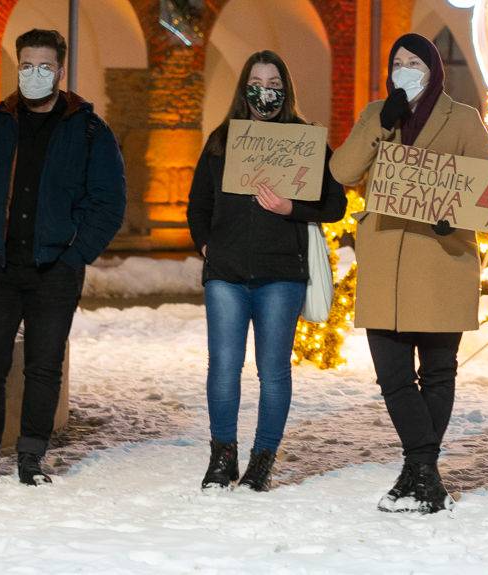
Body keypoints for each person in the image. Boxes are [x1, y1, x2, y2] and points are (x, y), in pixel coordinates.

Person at [0, 29, 126, 486]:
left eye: (44, 66)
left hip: (54, 270)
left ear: (60, 72)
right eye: (26, 65)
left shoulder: (88, 130)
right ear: (17, 68)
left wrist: (75, 254)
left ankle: (31, 457)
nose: (34, 74)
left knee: (43, 365)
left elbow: (109, 201)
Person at [330, 34, 488, 513]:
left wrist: (455, 214)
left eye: (414, 61)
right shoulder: (376, 114)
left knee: (438, 373)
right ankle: (424, 471)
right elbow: (342, 171)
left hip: (442, 261)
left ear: (432, 68)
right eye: (397, 61)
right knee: (394, 377)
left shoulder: (462, 118)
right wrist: (378, 126)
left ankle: (417, 473)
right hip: (385, 264)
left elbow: (485, 191)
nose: (404, 68)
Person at [187, 50, 346, 492]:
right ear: (244, 87)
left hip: (281, 275)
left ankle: (263, 457)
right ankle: (223, 456)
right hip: (227, 274)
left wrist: (290, 208)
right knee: (223, 366)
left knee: (273, 371)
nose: (266, 90)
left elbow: (335, 204)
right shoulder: (221, 140)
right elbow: (197, 203)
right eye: (257, 81)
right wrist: (206, 244)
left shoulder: (305, 140)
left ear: (286, 88)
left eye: (274, 82)